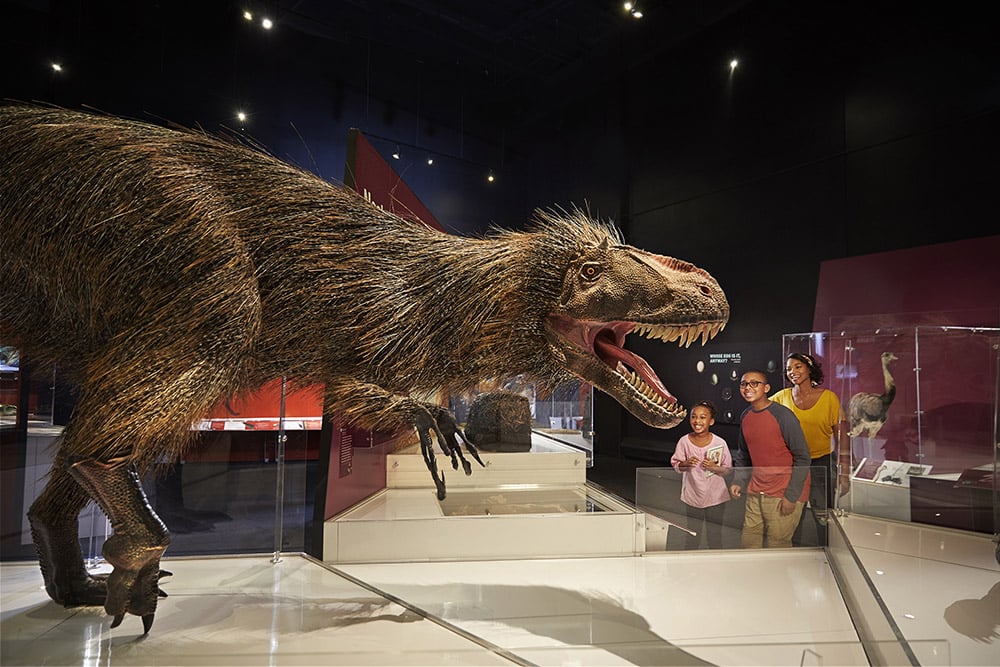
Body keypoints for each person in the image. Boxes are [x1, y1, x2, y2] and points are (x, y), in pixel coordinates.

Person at [769, 352, 849, 546]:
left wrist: (844, 472)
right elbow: (760, 411)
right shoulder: (781, 397)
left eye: (798, 366)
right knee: (791, 513)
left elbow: (843, 437)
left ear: (809, 368)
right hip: (793, 464)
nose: (793, 372)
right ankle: (794, 553)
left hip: (822, 462)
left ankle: (828, 552)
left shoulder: (829, 398)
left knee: (823, 515)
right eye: (789, 368)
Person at [729, 370, 811, 548]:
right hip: (756, 489)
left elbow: (803, 457)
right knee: (749, 542)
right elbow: (743, 454)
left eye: (754, 383)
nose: (747, 387)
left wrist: (791, 496)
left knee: (778, 545)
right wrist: (738, 480)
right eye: (743, 384)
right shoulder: (746, 416)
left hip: (783, 492)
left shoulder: (783, 416)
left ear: (766, 388)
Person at [670, 400, 731, 549]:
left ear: (711, 421)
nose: (697, 421)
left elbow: (728, 470)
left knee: (714, 535)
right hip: (693, 496)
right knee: (692, 534)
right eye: (694, 416)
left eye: (703, 417)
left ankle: (716, 568)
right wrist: (685, 464)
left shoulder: (720, 442)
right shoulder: (684, 441)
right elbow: (676, 464)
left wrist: (714, 468)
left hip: (716, 497)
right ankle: (690, 570)